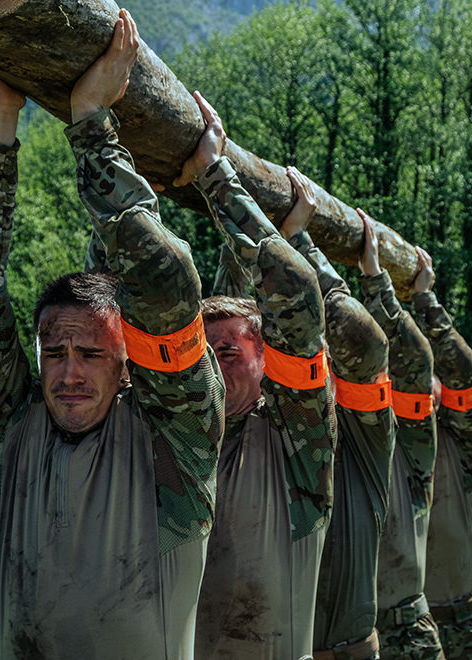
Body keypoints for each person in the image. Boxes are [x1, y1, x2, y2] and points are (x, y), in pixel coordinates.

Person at [0, 11, 225, 659]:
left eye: (91, 353)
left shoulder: (175, 445)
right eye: (54, 353)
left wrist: (94, 126)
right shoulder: (4, 446)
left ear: (129, 366)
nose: (68, 373)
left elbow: (163, 276)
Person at [178, 95, 336, 660]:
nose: (216, 366)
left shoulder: (297, 437)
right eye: (207, 355)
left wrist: (217, 177)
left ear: (268, 362)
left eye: (230, 353)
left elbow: (293, 299)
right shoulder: (184, 434)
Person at [280, 170, 395, 660]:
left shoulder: (365, 435)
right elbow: (235, 325)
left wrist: (297, 242)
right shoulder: (277, 425)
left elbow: (366, 340)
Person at [357, 216, 444, 660]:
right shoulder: (349, 435)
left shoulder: (413, 447)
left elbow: (413, 354)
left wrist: (377, 285)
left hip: (405, 637)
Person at [413, 251, 472, 660]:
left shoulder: (462, 446)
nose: (420, 407)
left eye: (429, 398)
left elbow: (460, 370)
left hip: (464, 625)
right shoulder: (384, 449)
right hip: (406, 632)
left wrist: (425, 301)